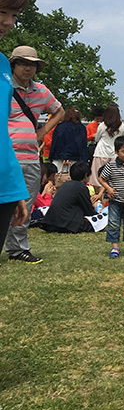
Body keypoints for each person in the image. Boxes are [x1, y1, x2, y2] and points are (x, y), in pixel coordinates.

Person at [6, 45, 64, 264]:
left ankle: (18, 248)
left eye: (32, 65)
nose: (28, 69)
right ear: (13, 65)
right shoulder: (4, 86)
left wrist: (42, 132)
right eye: (23, 63)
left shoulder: (41, 91)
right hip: (6, 156)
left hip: (30, 158)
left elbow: (59, 110)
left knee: (27, 206)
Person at [0, 0, 30, 257]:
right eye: (2, 11)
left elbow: (2, 133)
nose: (8, 22)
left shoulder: (2, 66)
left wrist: (16, 189)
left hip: (4, 187)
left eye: (14, 15)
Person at [39, 161, 96, 233]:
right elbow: (88, 210)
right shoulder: (81, 187)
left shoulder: (65, 185)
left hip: (51, 223)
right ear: (85, 175)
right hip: (66, 224)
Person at [90, 104, 124, 195]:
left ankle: (99, 200)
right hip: (115, 155)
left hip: (101, 153)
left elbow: (97, 138)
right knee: (114, 179)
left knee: (97, 178)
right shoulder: (122, 126)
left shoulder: (102, 125)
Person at [49, 106, 88, 175]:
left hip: (59, 159)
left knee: (58, 179)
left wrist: (51, 157)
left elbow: (54, 143)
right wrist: (83, 160)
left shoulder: (60, 127)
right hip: (75, 160)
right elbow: (82, 145)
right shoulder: (81, 128)